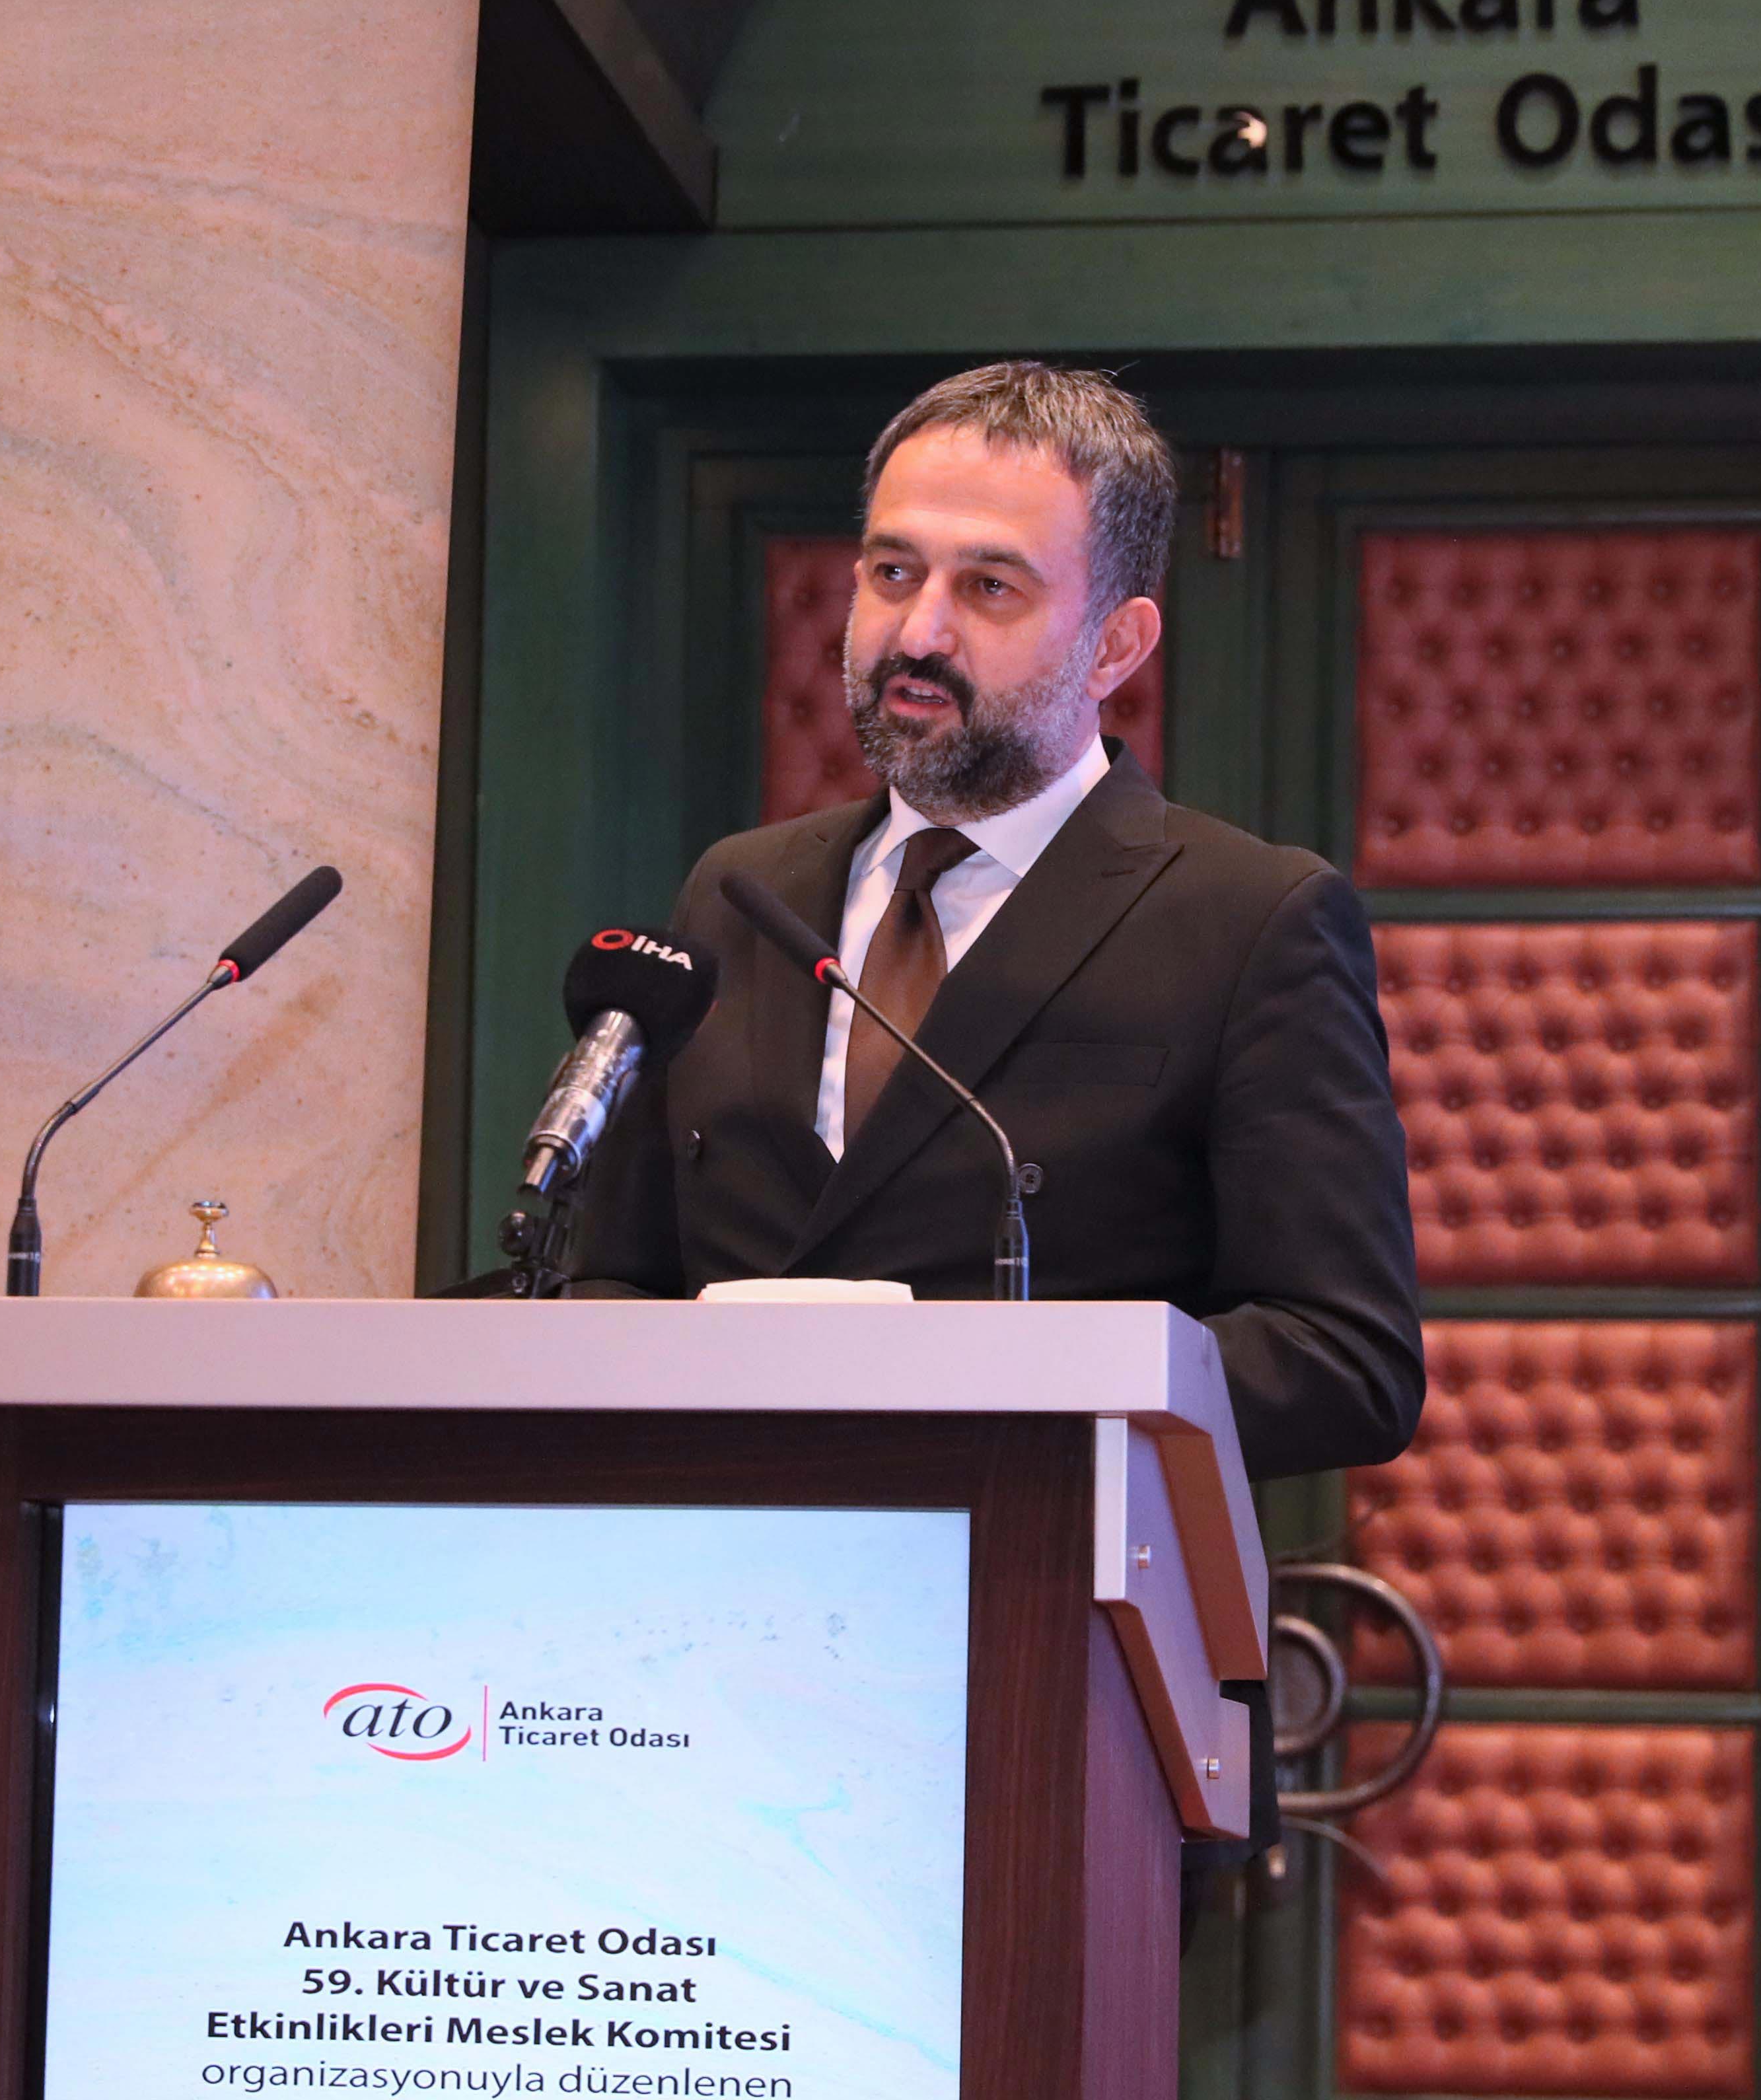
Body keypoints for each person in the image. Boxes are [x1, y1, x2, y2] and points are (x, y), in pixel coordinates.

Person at [573, 363, 1423, 1480]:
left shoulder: (1250, 919)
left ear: (1115, 646)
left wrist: (998, 1395)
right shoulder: (740, 891)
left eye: (988, 588)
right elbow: (618, 1276)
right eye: (892, 573)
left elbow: (1346, 1359)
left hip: (1045, 1562)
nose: (918, 632)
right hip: (735, 1550)